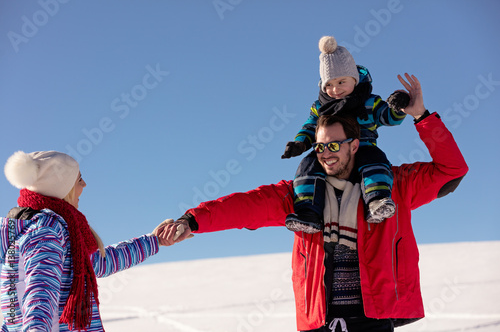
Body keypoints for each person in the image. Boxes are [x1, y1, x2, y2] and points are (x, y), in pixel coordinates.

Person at [158, 74, 469, 331]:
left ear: (355, 144)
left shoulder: (394, 186)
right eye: (320, 147)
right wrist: (192, 221)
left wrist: (422, 118)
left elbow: (452, 170)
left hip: (373, 320)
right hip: (319, 321)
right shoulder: (302, 194)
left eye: (334, 144)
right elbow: (246, 206)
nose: (325, 153)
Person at [1, 151, 170, 332]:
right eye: (79, 179)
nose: (85, 184)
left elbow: (100, 262)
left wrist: (155, 241)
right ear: (62, 187)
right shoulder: (46, 230)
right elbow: (40, 293)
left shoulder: (42, 228)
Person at [281, 36, 409, 234]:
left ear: (354, 80)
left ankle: (376, 200)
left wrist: (398, 106)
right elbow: (309, 127)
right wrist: (299, 144)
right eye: (329, 84)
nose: (335, 89)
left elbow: (388, 117)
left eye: (341, 82)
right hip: (328, 153)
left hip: (364, 146)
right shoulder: (321, 107)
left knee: (375, 160)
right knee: (308, 166)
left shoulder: (368, 102)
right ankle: (308, 213)